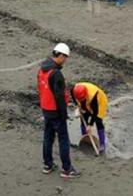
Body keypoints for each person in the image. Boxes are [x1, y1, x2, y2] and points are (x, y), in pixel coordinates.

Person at [38, 43, 80, 178]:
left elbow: (40, 88)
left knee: (48, 137)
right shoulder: (56, 74)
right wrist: (64, 114)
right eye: (65, 57)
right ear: (60, 55)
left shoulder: (41, 70)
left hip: (46, 109)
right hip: (56, 111)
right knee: (63, 140)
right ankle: (67, 169)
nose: (65, 60)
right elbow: (60, 97)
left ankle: (47, 165)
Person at [70, 82, 108, 154]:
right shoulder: (74, 90)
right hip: (86, 100)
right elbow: (73, 97)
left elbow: (95, 112)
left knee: (98, 120)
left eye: (82, 99)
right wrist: (77, 106)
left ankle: (102, 143)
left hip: (99, 102)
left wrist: (90, 125)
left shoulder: (93, 95)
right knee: (84, 116)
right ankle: (85, 137)